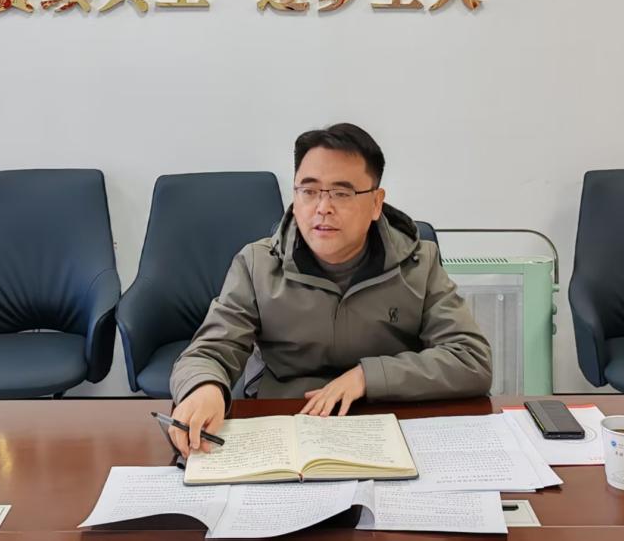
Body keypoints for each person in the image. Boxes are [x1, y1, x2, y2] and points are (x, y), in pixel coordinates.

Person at [168, 123, 492, 457]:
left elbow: (471, 359)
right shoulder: (258, 264)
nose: (323, 207)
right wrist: (203, 387)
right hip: (286, 420)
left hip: (387, 420)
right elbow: (209, 351)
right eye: (309, 191)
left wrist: (367, 377)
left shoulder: (419, 264)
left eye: (341, 193)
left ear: (376, 203)